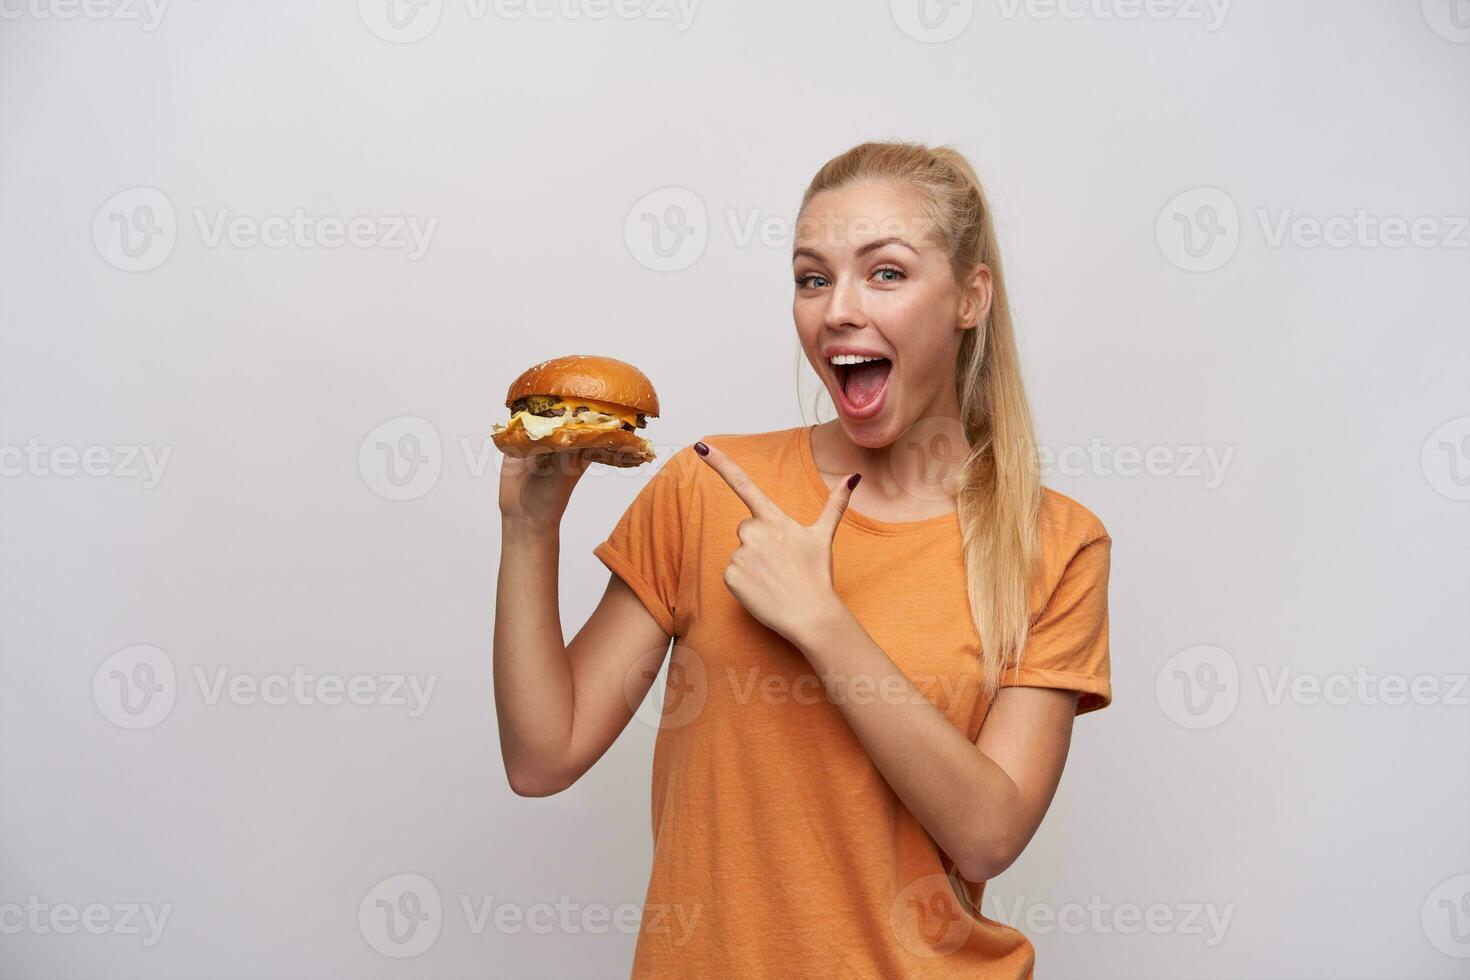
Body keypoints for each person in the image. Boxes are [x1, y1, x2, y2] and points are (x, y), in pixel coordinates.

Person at [493, 139, 1113, 979]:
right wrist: (529, 530)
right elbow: (542, 756)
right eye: (813, 278)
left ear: (971, 298)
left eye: (885, 273)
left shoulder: (1057, 544)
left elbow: (989, 834)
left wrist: (822, 623)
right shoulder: (708, 487)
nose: (838, 312)